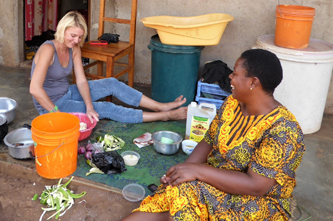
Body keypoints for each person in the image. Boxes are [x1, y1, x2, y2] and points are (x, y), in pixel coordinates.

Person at [122, 49, 306, 221]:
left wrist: (197, 171)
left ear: (253, 82)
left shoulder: (283, 130)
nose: (230, 77)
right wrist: (181, 172)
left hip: (256, 202)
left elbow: (257, 185)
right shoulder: (232, 104)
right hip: (215, 181)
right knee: (173, 190)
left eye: (235, 73)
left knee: (185, 194)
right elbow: (208, 140)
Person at [30, 11, 187, 123]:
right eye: (72, 36)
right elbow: (35, 89)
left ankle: (160, 107)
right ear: (62, 30)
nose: (76, 40)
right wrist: (57, 114)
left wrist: (89, 106)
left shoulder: (74, 48)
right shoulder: (48, 49)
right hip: (52, 106)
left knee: (111, 82)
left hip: (68, 92)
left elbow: (82, 80)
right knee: (106, 108)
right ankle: (164, 116)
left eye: (79, 37)